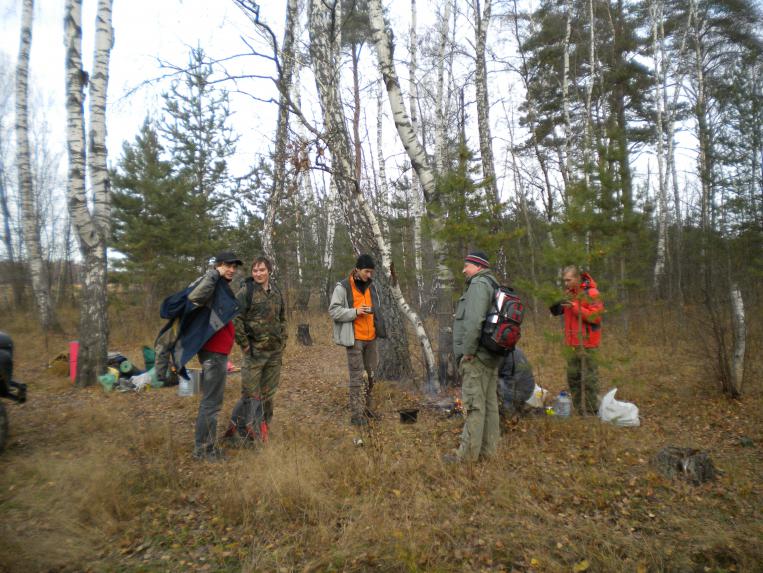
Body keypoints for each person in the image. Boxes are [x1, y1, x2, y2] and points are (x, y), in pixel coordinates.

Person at [224, 256, 287, 443]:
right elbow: (235, 319)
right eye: (255, 270)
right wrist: (244, 344)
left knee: (268, 395)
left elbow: (282, 318)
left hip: (274, 354)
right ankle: (239, 431)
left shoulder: (276, 292)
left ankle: (262, 430)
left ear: (269, 271)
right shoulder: (246, 292)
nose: (258, 274)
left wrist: (283, 341)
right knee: (250, 396)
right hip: (254, 355)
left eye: (262, 270)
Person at [448, 251, 503, 463]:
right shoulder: (491, 284)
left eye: (467, 265)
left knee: (474, 406)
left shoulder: (479, 284)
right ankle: (488, 452)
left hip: (477, 357)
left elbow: (474, 322)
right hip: (489, 355)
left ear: (478, 266)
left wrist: (468, 351)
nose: (464, 270)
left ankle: (467, 457)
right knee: (489, 405)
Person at [187, 251, 242, 460]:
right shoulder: (210, 282)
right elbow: (195, 297)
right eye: (228, 265)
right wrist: (213, 274)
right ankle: (204, 450)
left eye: (234, 267)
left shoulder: (219, 285)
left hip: (218, 352)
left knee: (211, 401)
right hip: (213, 352)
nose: (232, 270)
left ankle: (205, 447)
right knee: (211, 403)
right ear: (218, 265)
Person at [329, 254, 386, 426]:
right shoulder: (343, 287)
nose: (369, 275)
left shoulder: (372, 286)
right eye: (366, 271)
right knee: (357, 378)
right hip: (355, 339)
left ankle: (368, 410)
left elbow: (377, 309)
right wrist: (355, 311)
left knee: (371, 376)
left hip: (371, 339)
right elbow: (334, 311)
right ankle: (356, 415)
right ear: (357, 269)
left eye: (371, 272)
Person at [549, 265, 604, 415]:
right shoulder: (569, 293)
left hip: (587, 344)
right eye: (564, 280)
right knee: (573, 378)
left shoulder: (592, 293)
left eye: (568, 280)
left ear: (578, 278)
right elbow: (558, 311)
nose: (565, 283)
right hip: (571, 344)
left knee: (589, 379)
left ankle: (591, 411)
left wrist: (574, 306)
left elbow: (595, 317)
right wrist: (554, 304)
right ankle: (580, 409)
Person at [497, 347, 535, 419]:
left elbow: (492, 373)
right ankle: (516, 406)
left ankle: (507, 411)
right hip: (529, 390)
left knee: (489, 382)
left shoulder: (500, 351)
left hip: (516, 391)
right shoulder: (515, 348)